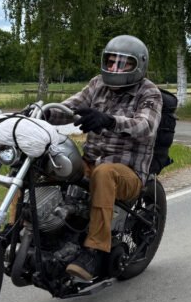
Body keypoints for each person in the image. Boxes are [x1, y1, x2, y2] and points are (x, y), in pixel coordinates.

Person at [45, 35, 162, 283]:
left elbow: (146, 125)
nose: (114, 69)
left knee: (105, 172)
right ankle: (23, 227)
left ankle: (95, 250)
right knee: (46, 161)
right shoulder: (97, 84)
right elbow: (69, 107)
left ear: (139, 65)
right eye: (110, 63)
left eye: (122, 64)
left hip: (127, 173)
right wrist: (40, 113)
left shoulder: (149, 92)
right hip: (91, 161)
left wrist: (109, 120)